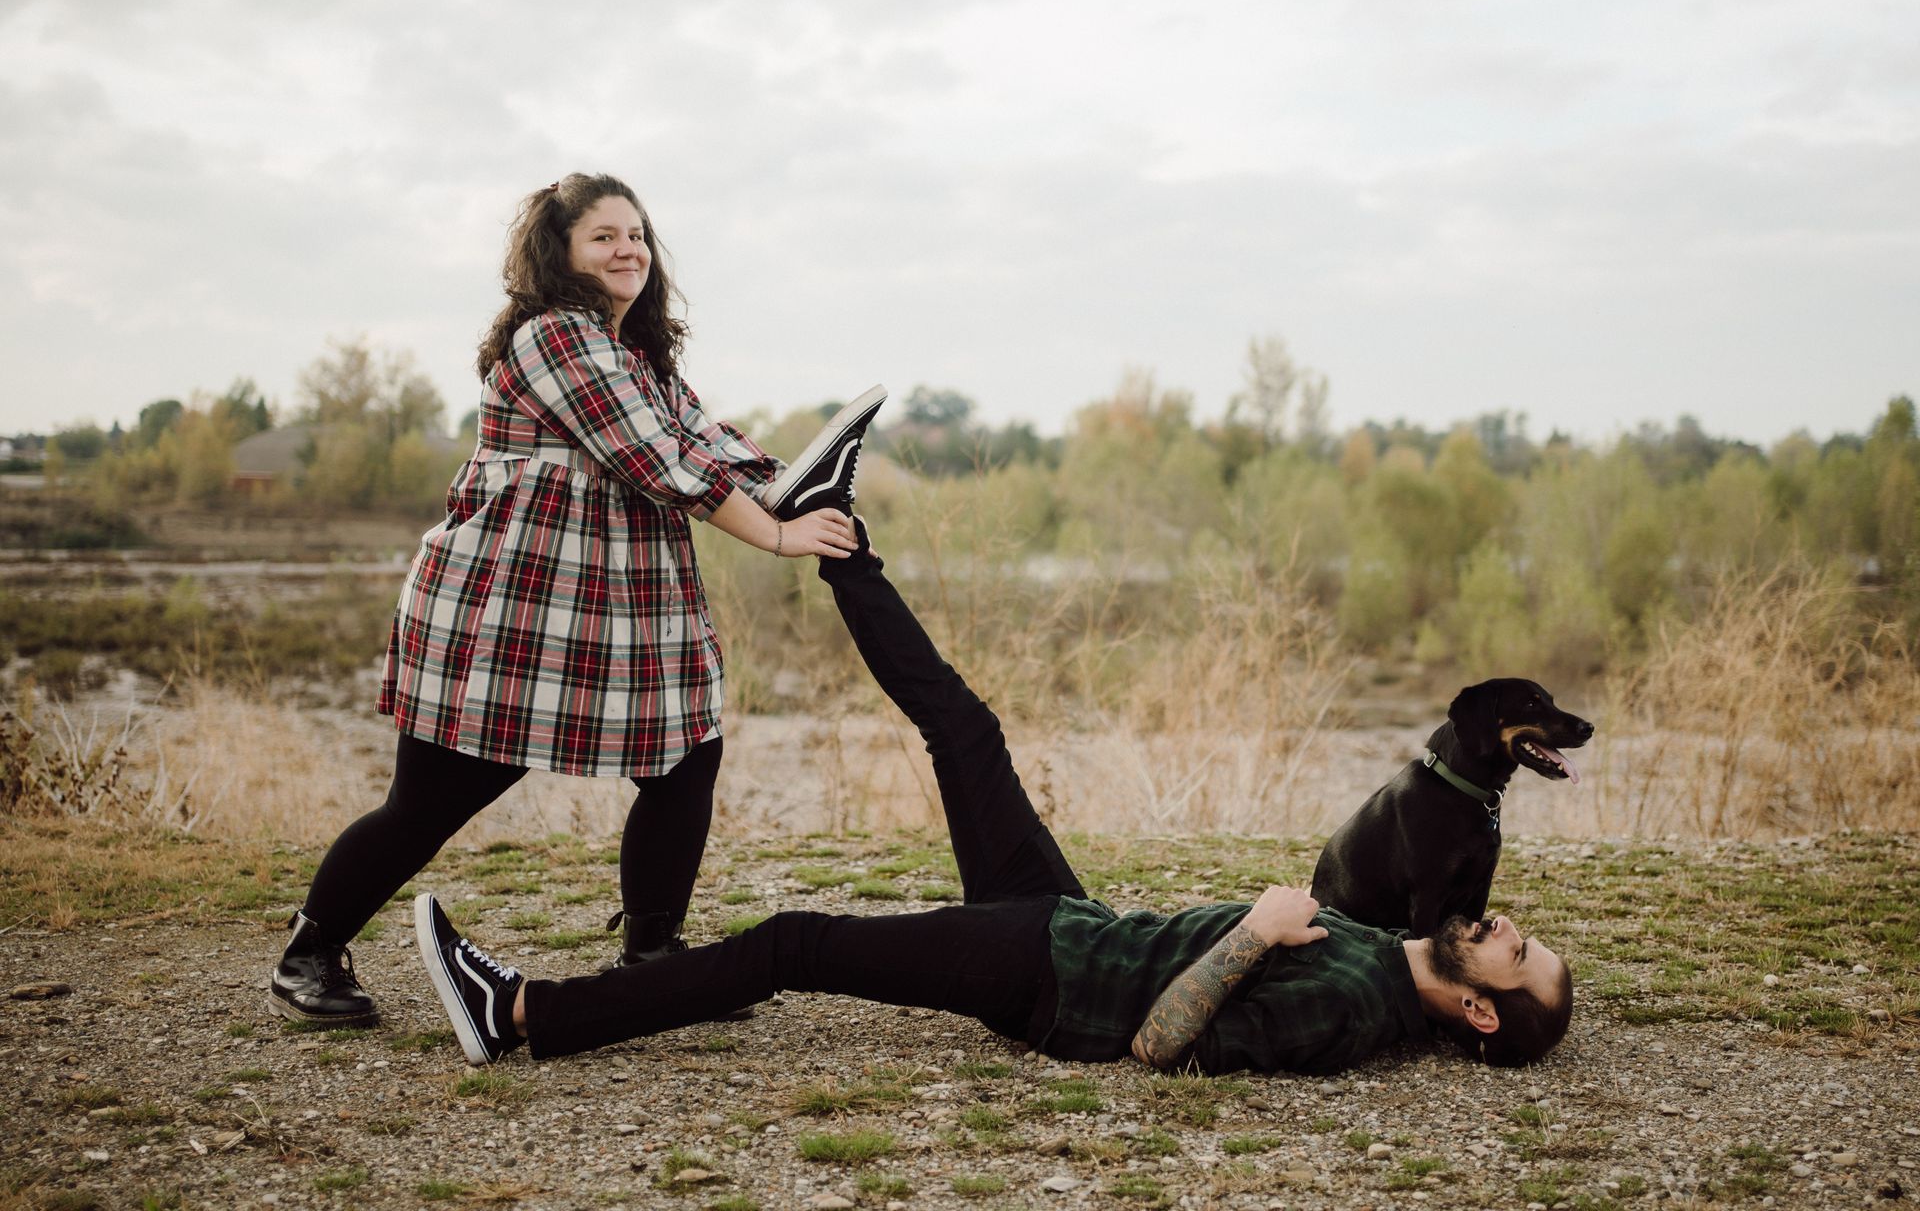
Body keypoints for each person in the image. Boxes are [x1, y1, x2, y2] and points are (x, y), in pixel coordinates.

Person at [414, 519, 1575, 1075]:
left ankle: (520, 1014)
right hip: (1076, 922)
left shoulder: (1354, 1009)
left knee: (792, 942)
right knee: (966, 730)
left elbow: (1160, 1042)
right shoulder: (1392, 946)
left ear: (1480, 1012)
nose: (1511, 927)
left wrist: (1258, 933)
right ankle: (836, 540)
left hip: (1047, 975)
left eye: (1518, 955)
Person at [271, 172, 886, 1027]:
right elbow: (657, 461)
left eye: (636, 234)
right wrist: (779, 537)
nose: (628, 249)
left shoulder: (636, 354)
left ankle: (654, 961)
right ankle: (307, 954)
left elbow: (701, 441)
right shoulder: (554, 338)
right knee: (435, 800)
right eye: (603, 236)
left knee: (683, 758)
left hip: (617, 609)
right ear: (558, 253)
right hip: (515, 608)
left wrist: (792, 491)